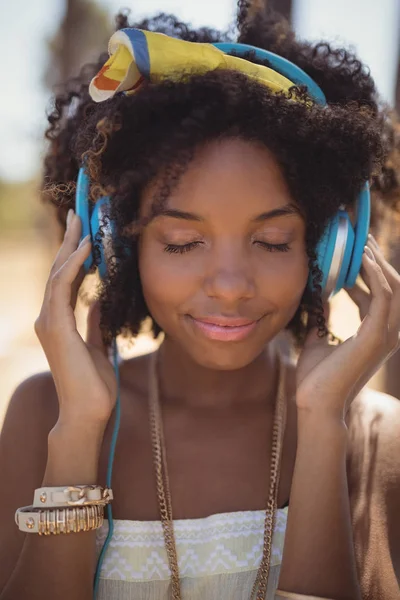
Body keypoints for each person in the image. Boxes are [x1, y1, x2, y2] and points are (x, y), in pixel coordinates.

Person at [1, 2, 400, 600]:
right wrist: (80, 434)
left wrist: (323, 427)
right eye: (184, 243)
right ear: (115, 243)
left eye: (272, 240)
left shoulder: (379, 440)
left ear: (327, 249)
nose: (231, 284)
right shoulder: (46, 415)